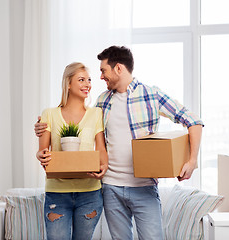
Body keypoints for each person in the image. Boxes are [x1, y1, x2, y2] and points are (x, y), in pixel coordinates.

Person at [35, 46, 204, 240]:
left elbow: (194, 121)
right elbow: (79, 121)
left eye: (103, 70)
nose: (100, 77)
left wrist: (191, 162)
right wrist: (42, 126)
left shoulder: (151, 95)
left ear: (118, 68)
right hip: (111, 188)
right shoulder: (102, 102)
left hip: (144, 188)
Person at [37, 62, 108, 240]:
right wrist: (40, 156)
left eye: (89, 80)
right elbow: (42, 151)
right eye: (81, 80)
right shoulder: (49, 114)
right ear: (68, 83)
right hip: (57, 194)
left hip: (90, 193)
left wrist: (103, 166)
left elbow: (100, 148)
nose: (88, 85)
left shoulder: (96, 114)